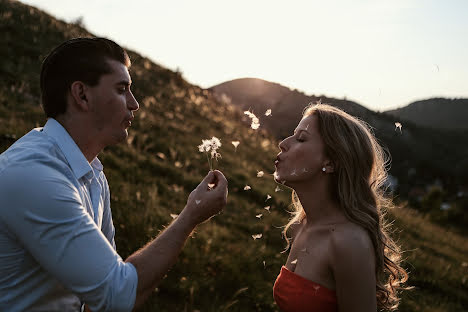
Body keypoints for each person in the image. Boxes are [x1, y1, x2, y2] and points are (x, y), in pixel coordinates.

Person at [0, 37, 228, 312]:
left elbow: (98, 294)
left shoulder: (93, 174)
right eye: (122, 90)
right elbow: (116, 295)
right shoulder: (34, 175)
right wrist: (191, 215)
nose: (135, 104)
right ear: (82, 95)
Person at [272, 103, 408, 312]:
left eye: (301, 139)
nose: (283, 144)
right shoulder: (301, 226)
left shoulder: (348, 242)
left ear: (332, 161)